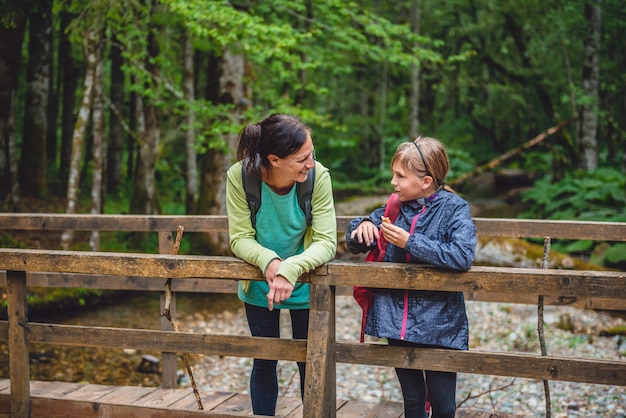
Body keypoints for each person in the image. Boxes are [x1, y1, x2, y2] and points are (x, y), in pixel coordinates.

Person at [346, 136, 476, 418]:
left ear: (426, 181)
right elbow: (356, 242)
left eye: (400, 176)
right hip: (397, 323)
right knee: (413, 402)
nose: (393, 182)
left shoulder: (455, 209)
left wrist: (410, 242)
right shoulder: (395, 206)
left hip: (441, 326)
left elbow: (463, 255)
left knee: (444, 407)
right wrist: (363, 225)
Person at [225, 113, 337, 416]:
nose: (310, 163)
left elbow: (327, 241)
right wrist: (270, 261)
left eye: (311, 154)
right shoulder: (240, 176)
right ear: (274, 159)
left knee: (309, 360)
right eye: (302, 159)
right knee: (264, 359)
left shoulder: (318, 177)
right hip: (260, 281)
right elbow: (240, 238)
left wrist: (291, 268)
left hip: (306, 280)